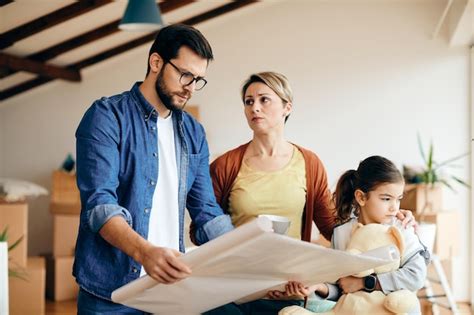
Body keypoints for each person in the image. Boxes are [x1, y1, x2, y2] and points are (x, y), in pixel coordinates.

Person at [203, 72, 416, 314]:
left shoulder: (308, 163)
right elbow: (203, 228)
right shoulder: (225, 165)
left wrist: (390, 217)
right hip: (234, 288)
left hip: (288, 289)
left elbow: (333, 226)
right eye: (249, 101)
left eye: (264, 100)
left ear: (287, 107)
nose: (255, 108)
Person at [73, 24, 233, 314]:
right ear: (156, 62)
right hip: (112, 293)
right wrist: (145, 253)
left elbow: (207, 213)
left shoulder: (194, 133)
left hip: (170, 291)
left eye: (198, 80)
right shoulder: (107, 117)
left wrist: (248, 256)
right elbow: (99, 206)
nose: (191, 88)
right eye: (185, 75)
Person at [278, 156, 429, 315]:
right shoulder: (341, 233)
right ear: (361, 197)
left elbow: (415, 276)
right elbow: (342, 288)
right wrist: (319, 287)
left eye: (398, 199)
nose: (394, 208)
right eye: (386, 199)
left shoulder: (402, 227)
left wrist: (365, 283)